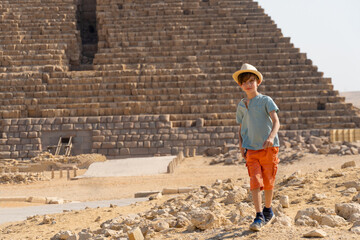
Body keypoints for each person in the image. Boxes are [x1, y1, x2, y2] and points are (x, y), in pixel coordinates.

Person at [232, 63, 280, 231]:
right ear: (240, 85)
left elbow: (276, 121)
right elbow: (241, 127)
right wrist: (240, 145)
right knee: (255, 181)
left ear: (258, 81)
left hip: (268, 148)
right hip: (250, 149)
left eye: (251, 80)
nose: (248, 84)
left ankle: (268, 211)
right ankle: (259, 215)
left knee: (268, 181)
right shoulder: (241, 105)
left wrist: (271, 137)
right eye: (244, 82)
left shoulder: (266, 100)